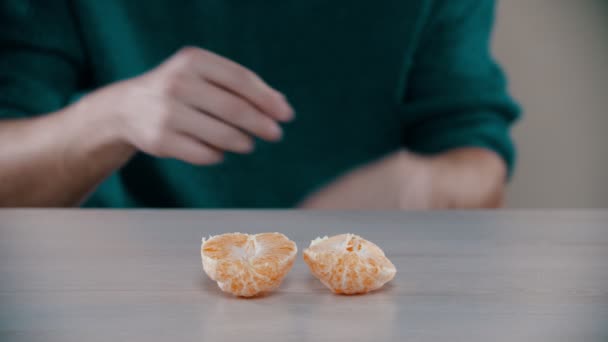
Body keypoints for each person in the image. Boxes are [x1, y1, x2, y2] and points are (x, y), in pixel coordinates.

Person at [0, 0, 519, 209]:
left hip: (349, 305)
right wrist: (108, 118)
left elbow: (477, 155)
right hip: (116, 294)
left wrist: (427, 185)